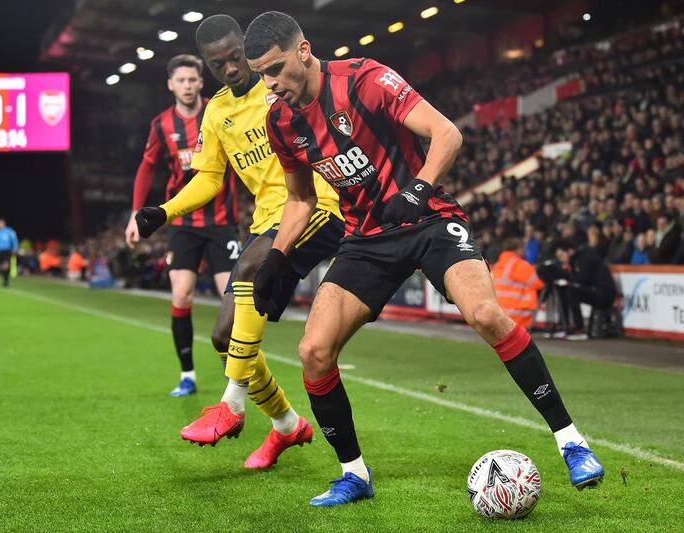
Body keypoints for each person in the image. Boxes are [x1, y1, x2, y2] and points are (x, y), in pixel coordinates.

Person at [244, 11, 603, 506]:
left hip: (427, 217)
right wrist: (278, 258)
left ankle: (572, 444)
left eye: (275, 68)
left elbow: (447, 133)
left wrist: (416, 191)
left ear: (303, 50)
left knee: (485, 314)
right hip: (366, 238)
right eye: (261, 73)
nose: (269, 83)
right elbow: (301, 198)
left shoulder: (364, 79)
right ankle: (354, 475)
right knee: (313, 351)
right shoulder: (280, 120)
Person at [135, 14, 343, 469]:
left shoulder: (280, 87)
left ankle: (230, 404)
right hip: (266, 220)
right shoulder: (217, 112)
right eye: (219, 64)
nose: (231, 69)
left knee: (248, 270)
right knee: (224, 336)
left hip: (318, 205)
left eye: (235, 58)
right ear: (209, 66)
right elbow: (209, 177)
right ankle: (287, 426)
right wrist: (163, 211)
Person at [125, 54, 241, 397]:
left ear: (201, 83)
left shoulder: (218, 111)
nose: (188, 86)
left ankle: (232, 369)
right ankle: (187, 374)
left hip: (222, 220)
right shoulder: (162, 125)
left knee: (232, 300)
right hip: (183, 222)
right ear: (170, 84)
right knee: (181, 293)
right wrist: (135, 213)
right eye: (181, 81)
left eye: (193, 80)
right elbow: (146, 168)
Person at [540, 238, 618, 340]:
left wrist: (564, 275)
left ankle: (579, 328)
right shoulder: (577, 259)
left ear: (568, 251)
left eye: (561, 255)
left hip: (605, 293)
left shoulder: (586, 257)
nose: (561, 259)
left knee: (571, 291)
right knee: (564, 289)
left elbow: (581, 280)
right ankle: (564, 325)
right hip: (596, 290)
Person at [492, 238, 544, 329]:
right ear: (518, 248)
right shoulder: (519, 264)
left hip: (500, 312)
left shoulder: (498, 264)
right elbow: (538, 283)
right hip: (518, 313)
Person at [0, 219, 18, 287]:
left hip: (7, 251)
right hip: (0, 251)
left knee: (5, 266)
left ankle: (6, 282)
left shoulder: (9, 231)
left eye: (0, 224)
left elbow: (14, 240)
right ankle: (5, 280)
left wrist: (15, 248)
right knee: (1, 267)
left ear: (4, 224)